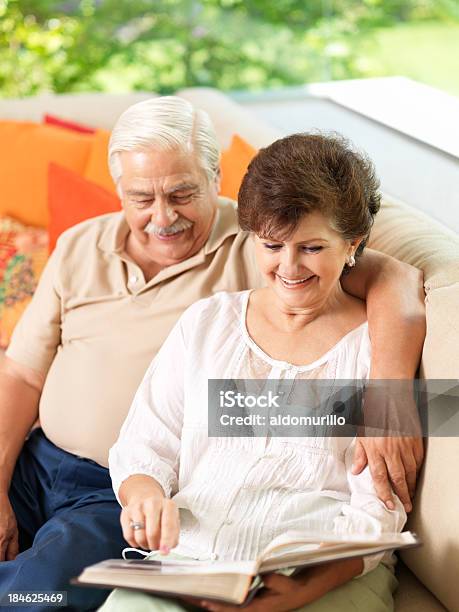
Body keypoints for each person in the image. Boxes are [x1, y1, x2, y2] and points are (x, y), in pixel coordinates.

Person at [0, 98, 424, 611]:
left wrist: (390, 393)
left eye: (182, 193)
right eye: (141, 198)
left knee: (32, 596)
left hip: (106, 491)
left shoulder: (258, 241)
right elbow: (21, 371)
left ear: (215, 179)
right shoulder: (81, 245)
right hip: (46, 460)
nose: (163, 218)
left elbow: (394, 277)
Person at [101, 133, 408, 612]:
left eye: (311, 248)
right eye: (271, 245)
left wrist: (305, 587)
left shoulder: (379, 347)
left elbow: (381, 505)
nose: (288, 267)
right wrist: (144, 495)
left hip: (322, 570)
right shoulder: (206, 323)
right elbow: (144, 444)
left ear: (353, 244)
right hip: (189, 560)